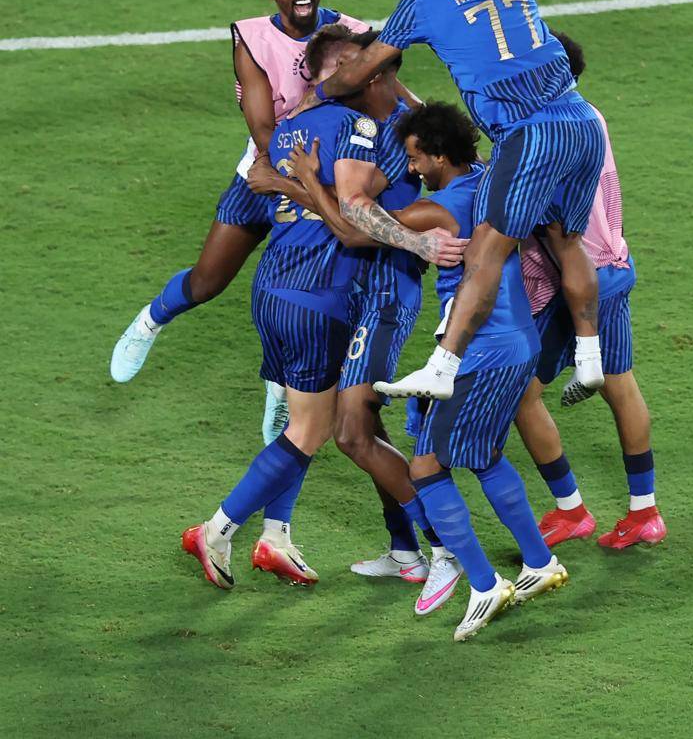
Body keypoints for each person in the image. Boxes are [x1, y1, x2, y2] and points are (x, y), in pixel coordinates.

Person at [291, 0, 605, 407]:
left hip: (530, 132)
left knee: (485, 249)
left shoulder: (423, 0)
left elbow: (362, 69)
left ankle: (442, 367)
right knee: (566, 240)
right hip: (581, 119)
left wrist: (317, 96)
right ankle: (590, 360)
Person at [182, 34, 461, 590]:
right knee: (332, 429)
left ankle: (312, 539)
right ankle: (220, 528)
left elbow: (282, 189)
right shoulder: (368, 131)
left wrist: (294, 180)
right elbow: (353, 221)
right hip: (336, 293)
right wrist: (417, 241)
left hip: (276, 287)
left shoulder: (290, 127)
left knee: (347, 425)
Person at [109, 0, 369, 439]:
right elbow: (264, 129)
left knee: (302, 296)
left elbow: (389, 94)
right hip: (265, 174)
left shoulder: (353, 33)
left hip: (329, 179)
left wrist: (436, 129)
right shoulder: (252, 39)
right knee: (208, 281)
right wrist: (295, 181)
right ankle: (149, 322)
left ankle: (281, 392)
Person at [376, 102, 568, 641]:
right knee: (483, 456)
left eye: (415, 158)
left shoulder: (440, 208)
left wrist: (294, 184)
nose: (411, 168)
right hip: (518, 341)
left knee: (425, 468)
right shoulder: (486, 178)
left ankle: (485, 585)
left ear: (439, 156)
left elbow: (354, 227)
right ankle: (540, 562)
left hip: (481, 351)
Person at [515, 32, 667, 549]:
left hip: (576, 281)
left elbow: (528, 211)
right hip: (614, 265)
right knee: (620, 385)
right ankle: (645, 512)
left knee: (521, 394)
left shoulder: (550, 130)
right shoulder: (588, 115)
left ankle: (571, 510)